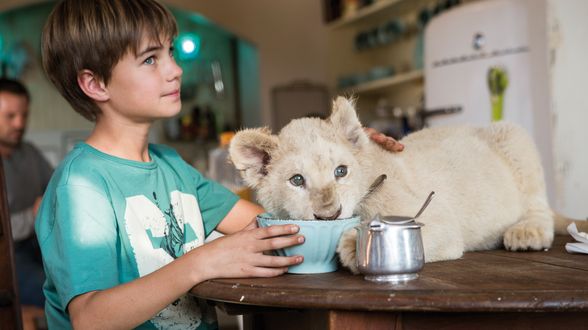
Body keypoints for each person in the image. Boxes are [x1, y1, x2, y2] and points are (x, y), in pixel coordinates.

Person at [36, 1, 404, 329]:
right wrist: (201, 263)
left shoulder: (171, 166)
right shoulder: (82, 184)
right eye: (150, 59)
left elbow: (278, 228)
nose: (175, 70)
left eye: (170, 52)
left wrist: (346, 155)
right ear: (96, 83)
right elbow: (89, 318)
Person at [0, 78, 52, 307]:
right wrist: (33, 214)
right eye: (10, 116)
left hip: (39, 243)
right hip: (8, 256)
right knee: (52, 293)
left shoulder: (29, 152)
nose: (20, 123)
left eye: (24, 115)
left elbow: (53, 187)